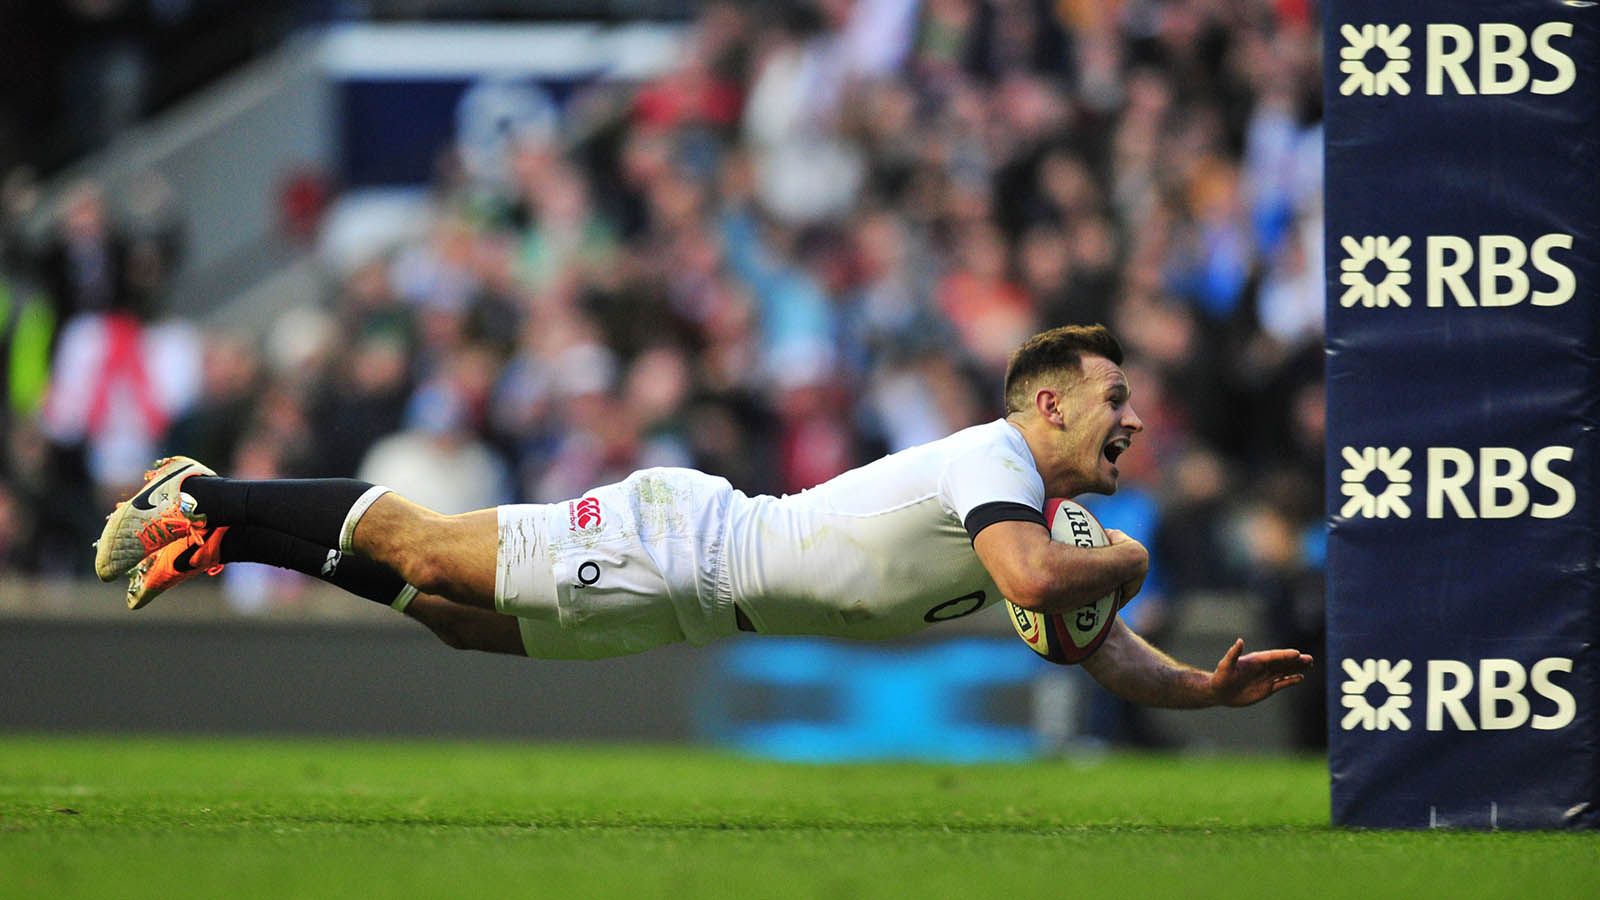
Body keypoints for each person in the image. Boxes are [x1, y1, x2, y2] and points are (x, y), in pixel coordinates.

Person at [94, 324, 1311, 710]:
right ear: (1047, 404)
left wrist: (1201, 692)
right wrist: (1130, 556)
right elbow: (1046, 588)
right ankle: (198, 491)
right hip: (682, 543)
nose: (1131, 420)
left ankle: (233, 538)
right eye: (1113, 400)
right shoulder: (996, 464)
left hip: (697, 605)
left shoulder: (1032, 513)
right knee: (429, 548)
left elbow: (1096, 643)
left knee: (459, 622)